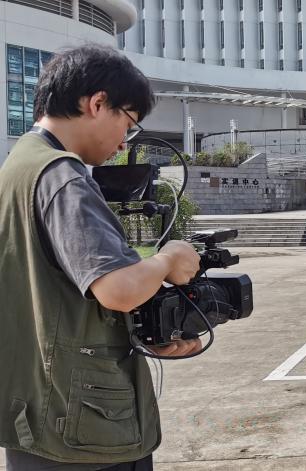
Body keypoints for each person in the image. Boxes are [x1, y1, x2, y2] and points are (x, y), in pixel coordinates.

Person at [0, 44, 202, 470]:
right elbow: (118, 289)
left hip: (34, 411)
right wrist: (168, 259)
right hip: (82, 427)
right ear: (97, 103)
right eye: (128, 123)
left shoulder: (17, 168)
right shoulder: (62, 176)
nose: (124, 141)